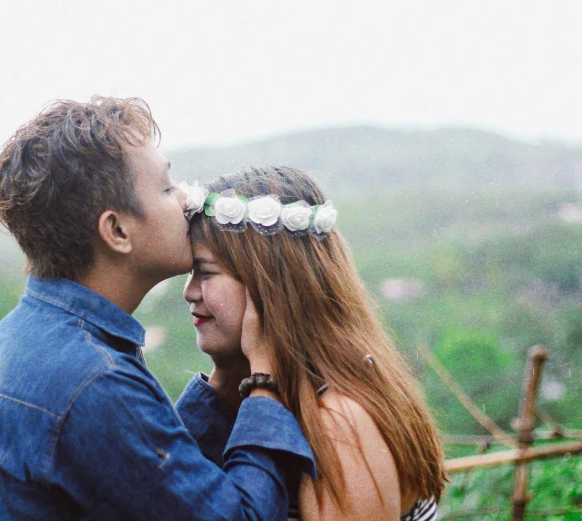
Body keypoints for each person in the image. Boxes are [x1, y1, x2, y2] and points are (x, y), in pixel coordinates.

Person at [0, 97, 315, 520]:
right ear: (116, 230)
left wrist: (224, 381)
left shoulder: (24, 334)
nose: (184, 198)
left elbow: (150, 483)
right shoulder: (94, 383)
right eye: (166, 188)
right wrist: (264, 380)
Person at [179, 166, 448, 520]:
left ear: (270, 284)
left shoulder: (341, 421)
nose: (189, 292)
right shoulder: (268, 395)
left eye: (206, 273)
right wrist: (226, 378)